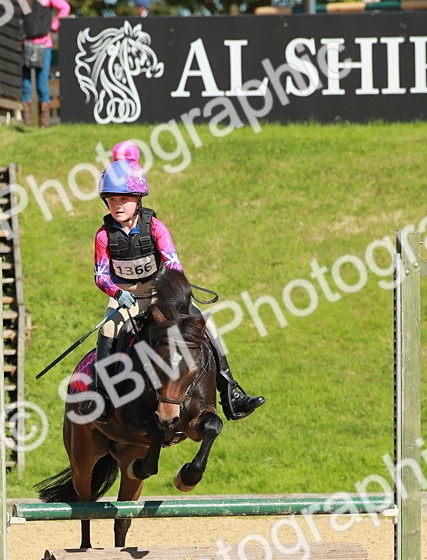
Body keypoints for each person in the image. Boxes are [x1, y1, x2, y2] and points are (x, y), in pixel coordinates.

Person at [91, 141, 265, 422]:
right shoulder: (103, 236)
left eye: (123, 199)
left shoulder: (156, 227)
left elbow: (172, 262)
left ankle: (230, 392)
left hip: (160, 294)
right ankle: (103, 396)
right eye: (111, 200)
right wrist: (116, 292)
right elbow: (100, 275)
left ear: (138, 199)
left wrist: (174, 293)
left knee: (207, 325)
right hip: (124, 297)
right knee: (108, 330)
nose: (117, 205)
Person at [22, 0, 71, 128]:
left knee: (42, 84)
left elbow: (65, 8)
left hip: (44, 45)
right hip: (25, 44)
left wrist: (54, 25)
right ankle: (26, 121)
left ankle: (44, 122)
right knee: (25, 84)